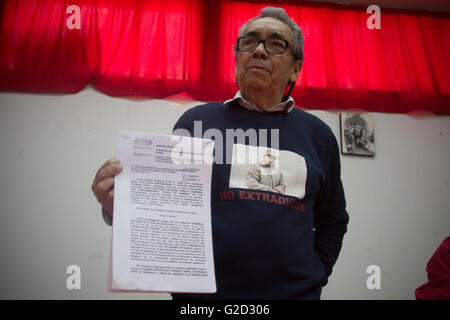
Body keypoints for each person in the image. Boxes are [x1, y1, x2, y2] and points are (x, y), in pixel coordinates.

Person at [92, 7, 349, 299]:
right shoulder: (196, 123)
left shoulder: (318, 136)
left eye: (276, 44)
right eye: (249, 42)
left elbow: (333, 222)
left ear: (295, 67)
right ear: (237, 58)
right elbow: (168, 212)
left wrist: (316, 273)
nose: (260, 51)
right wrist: (119, 208)